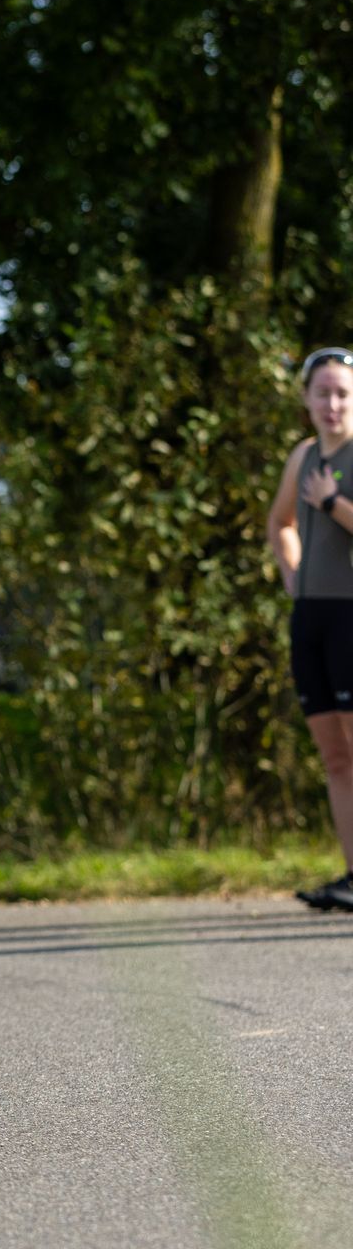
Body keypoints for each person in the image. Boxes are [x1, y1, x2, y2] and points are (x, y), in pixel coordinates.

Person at [270, 346, 353, 912]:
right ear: (305, 398)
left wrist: (333, 503)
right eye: (322, 392)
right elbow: (279, 523)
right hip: (312, 618)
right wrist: (292, 576)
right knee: (335, 758)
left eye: (343, 393)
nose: (332, 403)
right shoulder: (302, 457)